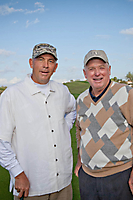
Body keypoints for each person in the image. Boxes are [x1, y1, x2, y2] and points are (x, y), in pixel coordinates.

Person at [0, 43, 76, 200]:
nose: (45, 65)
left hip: (63, 184)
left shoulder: (62, 91)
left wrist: (64, 128)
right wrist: (17, 174)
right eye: (41, 59)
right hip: (30, 186)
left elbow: (72, 110)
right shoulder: (11, 95)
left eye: (50, 61)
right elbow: (2, 141)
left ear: (56, 66)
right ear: (31, 63)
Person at [74, 49, 133, 200]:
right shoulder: (81, 100)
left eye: (101, 67)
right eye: (91, 69)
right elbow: (80, 131)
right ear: (84, 73)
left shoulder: (125, 93)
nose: (97, 73)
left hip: (120, 175)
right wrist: (80, 161)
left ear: (109, 69)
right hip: (88, 177)